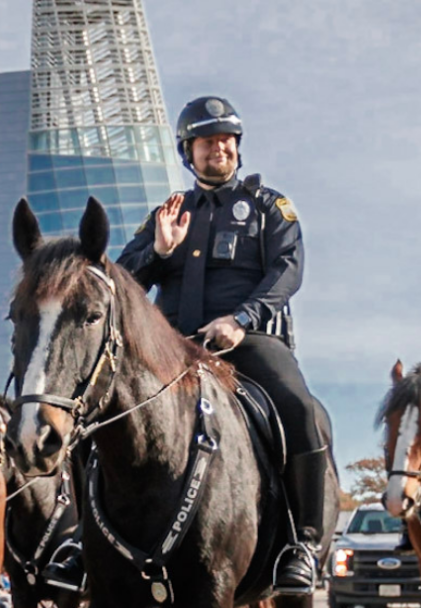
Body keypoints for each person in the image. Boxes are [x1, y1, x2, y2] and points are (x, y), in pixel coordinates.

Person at [114, 96, 339, 596]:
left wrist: (242, 319)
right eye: (208, 140)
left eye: (227, 139)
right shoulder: (167, 214)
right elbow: (120, 285)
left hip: (247, 340)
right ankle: (86, 546)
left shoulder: (267, 206)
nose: (220, 147)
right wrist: (158, 249)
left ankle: (300, 544)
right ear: (186, 152)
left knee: (302, 411)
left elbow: (288, 269)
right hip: (172, 351)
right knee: (102, 415)